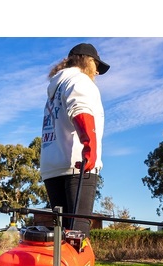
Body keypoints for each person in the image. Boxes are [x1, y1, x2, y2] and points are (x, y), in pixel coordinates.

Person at [40, 43, 110, 237]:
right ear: (87, 61)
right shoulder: (80, 81)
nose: (96, 72)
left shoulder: (57, 86)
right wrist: (90, 149)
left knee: (61, 236)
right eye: (96, 65)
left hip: (52, 166)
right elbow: (81, 111)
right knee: (77, 235)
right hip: (78, 165)